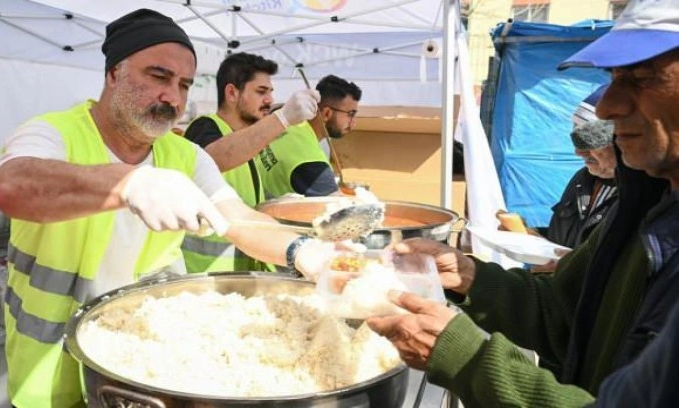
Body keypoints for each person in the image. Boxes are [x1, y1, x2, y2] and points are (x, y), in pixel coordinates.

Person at [0, 10, 338, 407]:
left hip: (141, 360)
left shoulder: (185, 156)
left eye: (184, 85)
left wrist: (305, 251)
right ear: (113, 74)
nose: (172, 98)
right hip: (51, 371)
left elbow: (238, 218)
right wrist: (129, 182)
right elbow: (14, 185)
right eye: (158, 77)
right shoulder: (51, 132)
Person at [365, 0, 679, 405]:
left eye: (641, 77)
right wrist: (470, 277)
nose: (607, 106)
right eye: (615, 77)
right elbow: (564, 314)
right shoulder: (644, 205)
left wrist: (468, 359)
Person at [182, 52, 319, 273]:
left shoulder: (249, 139)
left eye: (270, 92)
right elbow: (212, 159)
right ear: (232, 93)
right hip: (206, 275)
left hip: (241, 271)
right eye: (261, 92)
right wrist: (283, 118)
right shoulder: (204, 127)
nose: (270, 101)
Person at [257, 74, 362, 197]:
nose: (353, 123)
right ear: (327, 113)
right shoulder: (312, 163)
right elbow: (337, 211)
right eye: (350, 114)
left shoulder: (287, 124)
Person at [540, 85, 617, 249]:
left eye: (589, 142)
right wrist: (531, 236)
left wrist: (572, 265)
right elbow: (568, 241)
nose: (579, 152)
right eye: (576, 140)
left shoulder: (644, 194)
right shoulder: (582, 180)